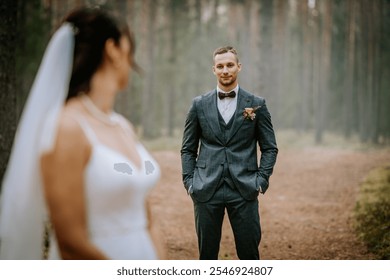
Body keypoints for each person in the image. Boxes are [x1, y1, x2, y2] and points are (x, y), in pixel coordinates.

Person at [0, 7, 163, 260]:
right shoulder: (67, 127)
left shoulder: (122, 126)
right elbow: (71, 243)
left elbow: (147, 219)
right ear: (112, 49)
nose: (133, 59)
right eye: (129, 45)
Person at [181, 46, 278, 260]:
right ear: (213, 70)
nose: (225, 70)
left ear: (239, 67)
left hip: (244, 189)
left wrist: (261, 181)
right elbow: (188, 148)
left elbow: (270, 147)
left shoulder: (256, 104)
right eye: (220, 66)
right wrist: (190, 182)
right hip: (205, 188)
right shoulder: (198, 105)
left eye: (230, 65)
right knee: (207, 256)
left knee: (249, 255)